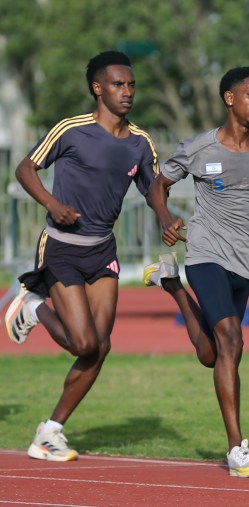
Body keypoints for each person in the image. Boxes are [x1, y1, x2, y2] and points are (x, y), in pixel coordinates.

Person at [3, 51, 159, 461]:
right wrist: (53, 204)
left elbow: (153, 189)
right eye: (117, 85)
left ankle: (49, 433)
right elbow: (24, 169)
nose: (127, 92)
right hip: (61, 247)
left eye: (131, 85)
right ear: (98, 88)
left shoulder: (141, 143)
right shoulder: (72, 130)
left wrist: (167, 216)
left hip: (102, 249)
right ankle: (33, 307)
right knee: (82, 342)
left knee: (99, 347)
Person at [144, 66, 249, 478]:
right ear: (230, 99)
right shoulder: (199, 148)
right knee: (232, 340)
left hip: (246, 262)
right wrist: (165, 218)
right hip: (205, 252)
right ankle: (237, 449)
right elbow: (158, 185)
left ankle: (171, 285)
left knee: (213, 354)